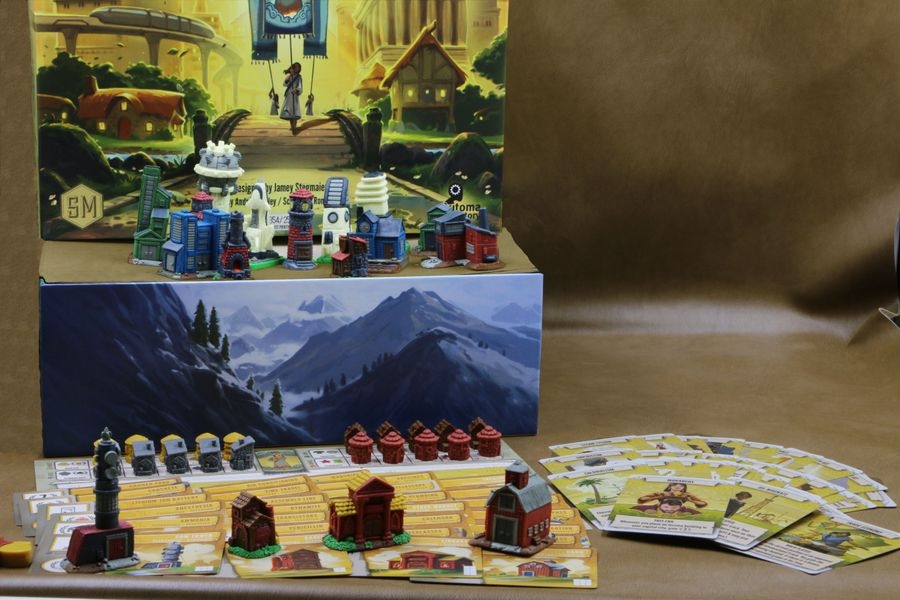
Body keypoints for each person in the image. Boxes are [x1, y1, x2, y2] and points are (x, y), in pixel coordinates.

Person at [280, 62, 303, 133]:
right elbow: (284, 84)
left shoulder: (299, 77)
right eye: (296, 67)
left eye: (298, 67)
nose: (297, 68)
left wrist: (296, 90)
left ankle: (294, 127)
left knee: (295, 112)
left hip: (294, 96)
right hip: (289, 95)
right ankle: (292, 126)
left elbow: (300, 87)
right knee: (290, 112)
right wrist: (289, 75)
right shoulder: (289, 75)